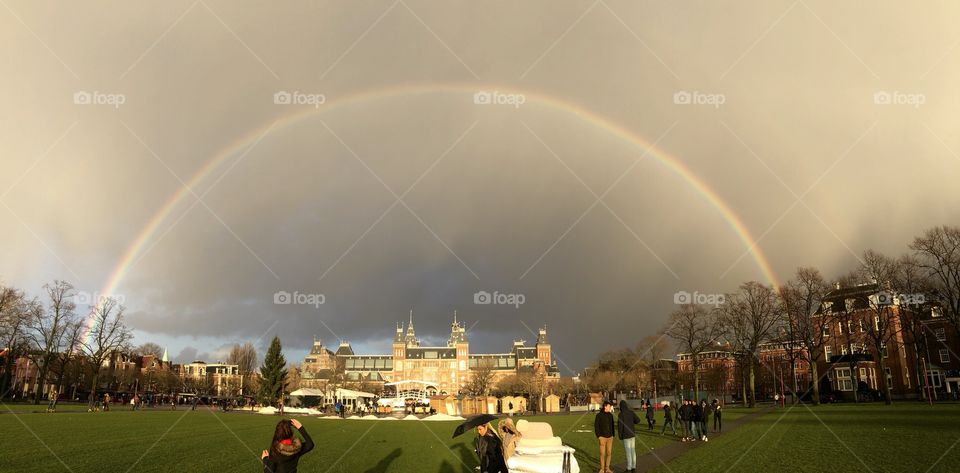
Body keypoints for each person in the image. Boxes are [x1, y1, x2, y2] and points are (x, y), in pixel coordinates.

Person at [617, 400, 640, 472]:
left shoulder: (621, 414)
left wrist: (620, 435)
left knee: (628, 452)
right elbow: (638, 420)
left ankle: (629, 468)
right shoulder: (631, 412)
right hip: (632, 434)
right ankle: (633, 467)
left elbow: (620, 426)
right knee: (633, 451)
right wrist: (631, 422)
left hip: (625, 435)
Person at [595, 400, 615, 473]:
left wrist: (613, 435)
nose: (610, 407)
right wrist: (599, 436)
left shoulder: (610, 415)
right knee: (602, 454)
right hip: (602, 437)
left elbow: (612, 425)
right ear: (605, 406)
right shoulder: (599, 415)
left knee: (609, 453)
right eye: (609, 406)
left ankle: (607, 468)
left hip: (610, 437)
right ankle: (602, 469)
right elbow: (596, 426)